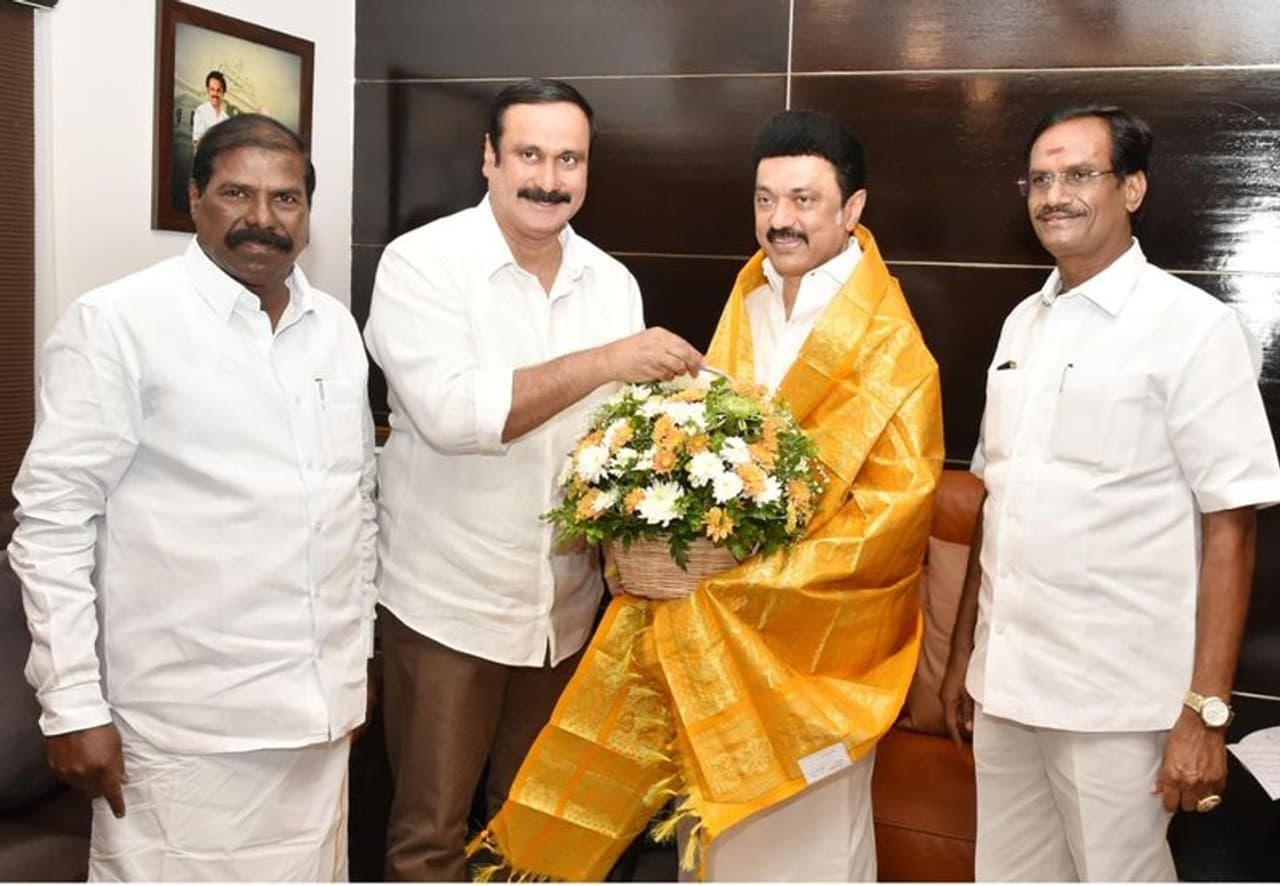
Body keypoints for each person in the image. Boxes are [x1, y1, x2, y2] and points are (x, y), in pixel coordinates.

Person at [473, 109, 943, 881]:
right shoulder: (750, 297)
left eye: (803, 200)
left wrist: (745, 586)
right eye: (765, 200)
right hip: (716, 636)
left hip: (811, 649)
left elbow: (893, 516)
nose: (780, 220)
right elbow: (710, 439)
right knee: (717, 842)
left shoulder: (890, 344)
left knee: (809, 847)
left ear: (852, 209)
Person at [9, 114, 377, 881]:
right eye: (237, 193)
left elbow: (354, 505)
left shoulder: (336, 329)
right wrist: (71, 705)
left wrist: (356, 661)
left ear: (308, 211)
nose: (262, 218)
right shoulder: (118, 323)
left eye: (285, 199)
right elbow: (52, 524)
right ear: (194, 199)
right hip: (185, 729)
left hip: (318, 723)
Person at [362, 77, 702, 882]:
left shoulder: (611, 282)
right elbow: (456, 416)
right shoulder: (422, 264)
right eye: (530, 155)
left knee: (536, 838)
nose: (549, 179)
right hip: (448, 606)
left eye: (569, 160)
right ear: (489, 157)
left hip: (565, 614)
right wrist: (608, 360)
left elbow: (622, 442)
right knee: (430, 837)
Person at [940, 105, 1280, 881]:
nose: (1054, 196)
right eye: (1040, 180)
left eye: (1079, 175)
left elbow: (1231, 526)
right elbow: (998, 498)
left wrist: (1206, 714)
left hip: (1114, 705)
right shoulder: (1021, 325)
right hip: (1006, 687)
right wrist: (963, 661)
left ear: (1132, 188)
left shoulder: (1192, 327)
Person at [191, 70, 228, 147]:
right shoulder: (201, 111)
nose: (215, 94)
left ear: (223, 93)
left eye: (218, 90)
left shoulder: (226, 119)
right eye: (212, 89)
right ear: (208, 91)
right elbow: (196, 143)